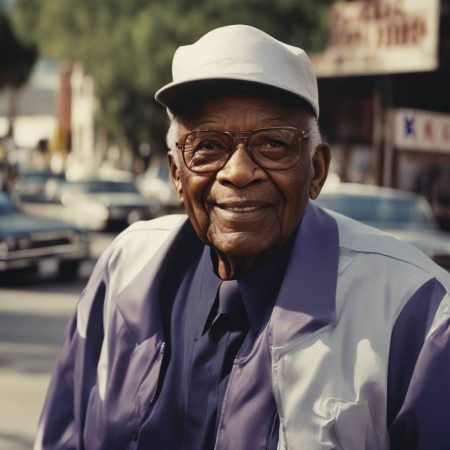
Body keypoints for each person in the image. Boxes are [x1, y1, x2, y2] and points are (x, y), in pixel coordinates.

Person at [35, 25, 450, 450]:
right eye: (207, 145)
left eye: (273, 144)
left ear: (317, 171)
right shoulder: (125, 268)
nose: (237, 171)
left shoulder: (413, 312)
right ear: (177, 174)